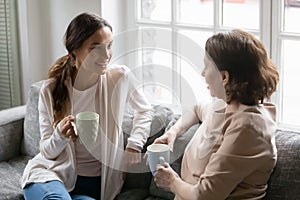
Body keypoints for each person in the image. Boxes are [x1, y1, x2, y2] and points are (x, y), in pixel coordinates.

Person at [20, 12, 153, 200]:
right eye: (96, 48)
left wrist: (134, 146)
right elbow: (47, 152)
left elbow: (145, 110)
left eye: (109, 46)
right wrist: (60, 135)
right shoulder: (50, 90)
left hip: (97, 186)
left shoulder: (119, 78)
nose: (106, 55)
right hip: (52, 176)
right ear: (74, 51)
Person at [153, 29, 279, 199]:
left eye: (206, 66)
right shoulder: (226, 106)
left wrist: (172, 182)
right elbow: (196, 108)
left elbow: (205, 195)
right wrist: (173, 132)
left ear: (224, 77)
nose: (202, 73)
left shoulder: (248, 128)